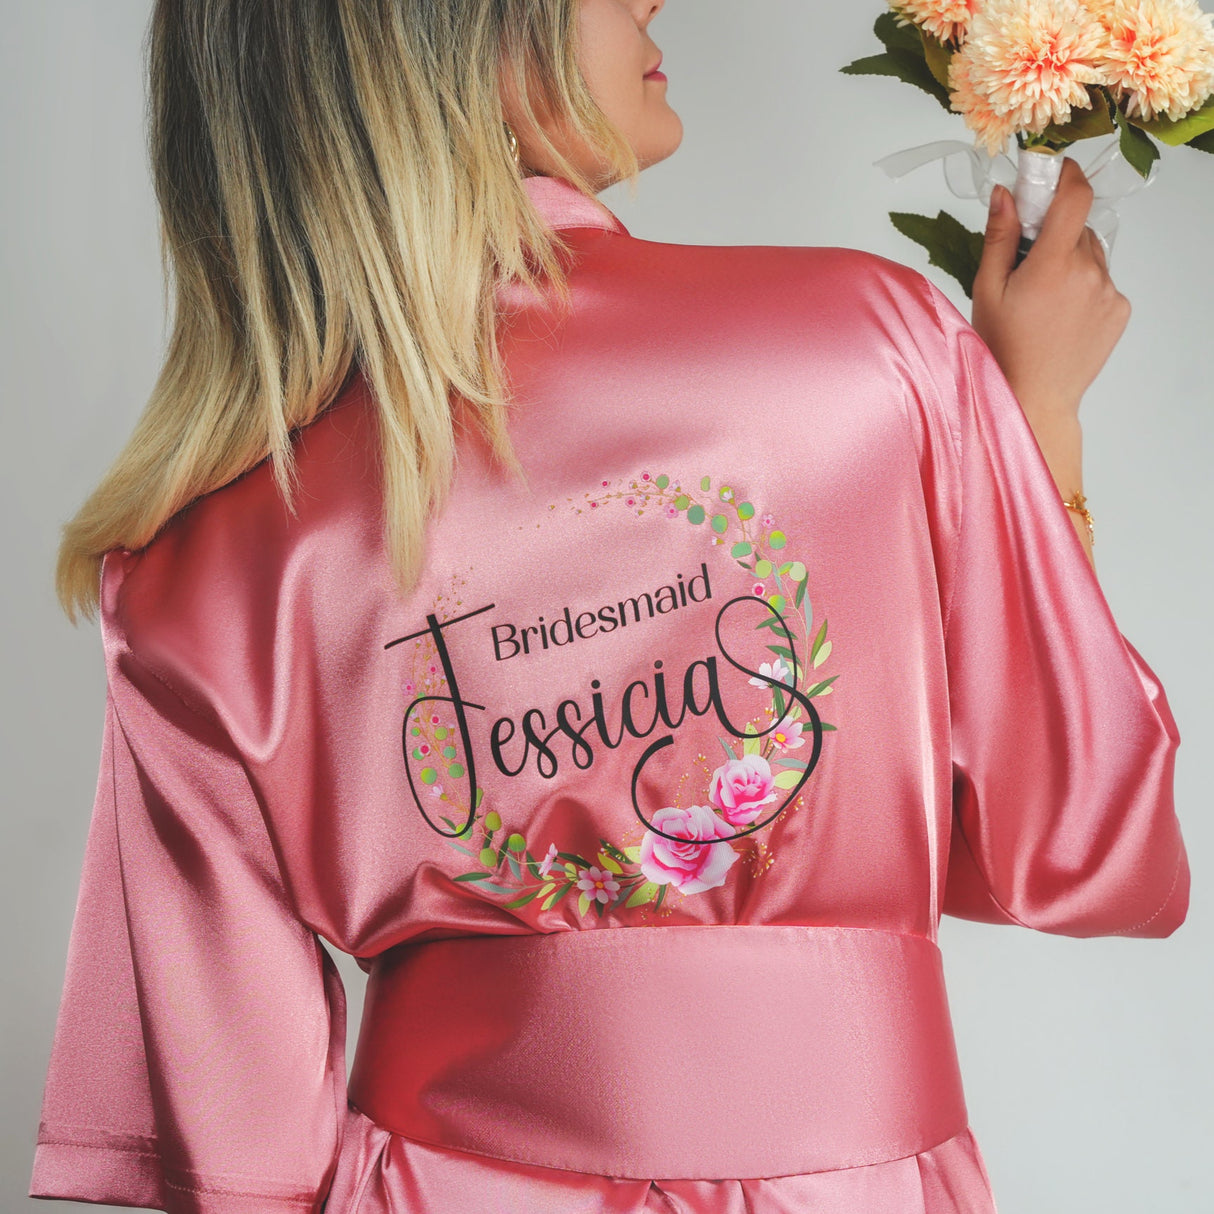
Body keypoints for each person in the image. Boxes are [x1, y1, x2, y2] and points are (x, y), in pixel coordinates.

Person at [30, 1, 1189, 1211]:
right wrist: (1031, 415)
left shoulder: (197, 572)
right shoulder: (871, 354)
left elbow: (237, 1154)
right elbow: (1081, 844)